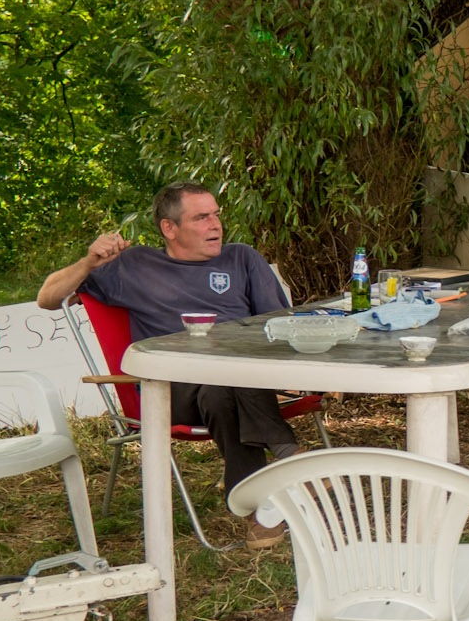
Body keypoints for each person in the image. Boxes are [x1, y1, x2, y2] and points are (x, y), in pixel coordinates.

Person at [37, 181, 299, 548]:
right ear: (169, 228)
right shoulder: (134, 265)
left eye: (217, 215)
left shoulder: (242, 258)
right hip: (169, 391)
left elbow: (278, 326)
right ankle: (292, 459)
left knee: (222, 389)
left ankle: (260, 510)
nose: (216, 225)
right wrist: (90, 262)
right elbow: (47, 298)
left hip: (233, 383)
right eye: (202, 217)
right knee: (222, 382)